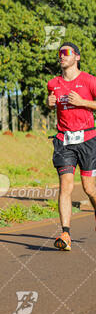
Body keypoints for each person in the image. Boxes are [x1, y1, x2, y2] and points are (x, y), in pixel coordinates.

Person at [47, 42, 96, 251]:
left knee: (89, 188)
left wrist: (84, 102)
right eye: (59, 53)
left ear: (76, 57)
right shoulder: (53, 83)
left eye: (66, 53)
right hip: (64, 141)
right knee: (65, 187)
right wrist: (49, 103)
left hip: (87, 139)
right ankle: (65, 233)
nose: (62, 56)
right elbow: (54, 104)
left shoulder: (89, 81)